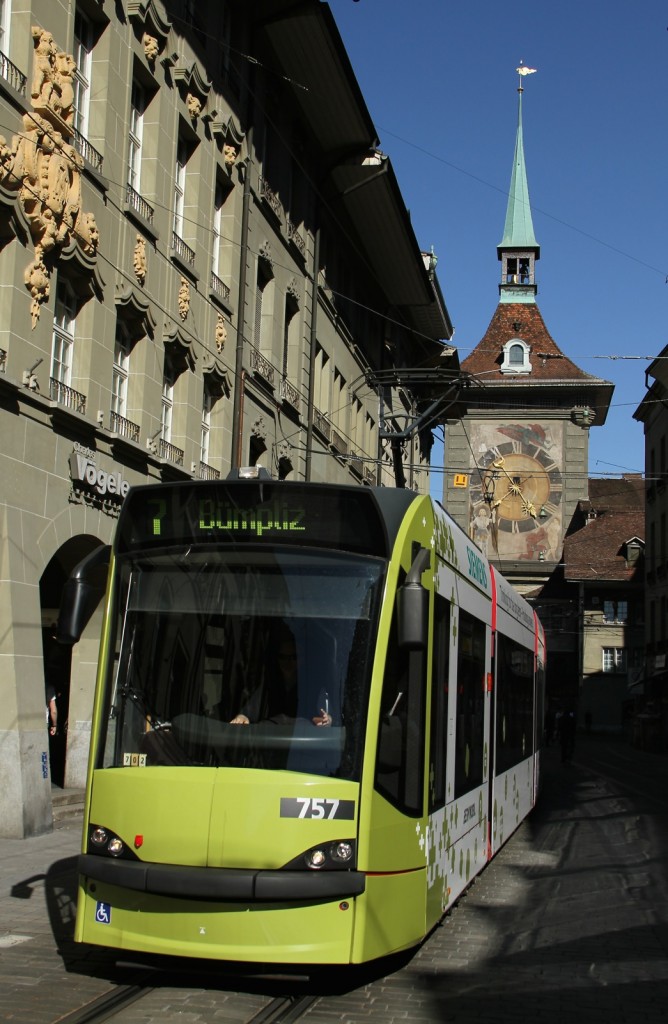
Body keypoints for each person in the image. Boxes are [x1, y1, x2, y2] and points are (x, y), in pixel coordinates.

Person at [230, 628, 332, 727]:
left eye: (293, 657)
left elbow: (324, 717)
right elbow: (250, 711)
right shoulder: (269, 684)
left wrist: (326, 720)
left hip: (301, 737)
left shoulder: (314, 686)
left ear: (302, 659)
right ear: (277, 659)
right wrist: (242, 717)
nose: (288, 662)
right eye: (283, 657)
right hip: (270, 738)